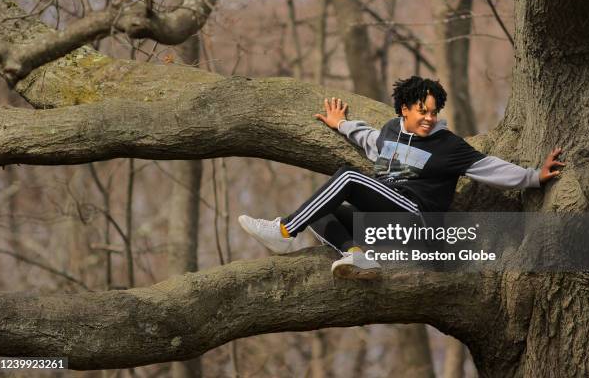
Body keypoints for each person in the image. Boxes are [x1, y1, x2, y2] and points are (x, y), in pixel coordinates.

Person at [238, 76, 565, 279]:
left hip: (417, 222)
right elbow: (369, 139)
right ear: (404, 109)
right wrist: (341, 124)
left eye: (433, 112)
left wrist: (534, 177)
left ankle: (283, 230)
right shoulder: (391, 131)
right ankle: (356, 256)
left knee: (348, 178)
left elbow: (490, 167)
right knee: (321, 209)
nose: (429, 118)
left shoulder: (448, 145)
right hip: (386, 225)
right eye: (422, 111)